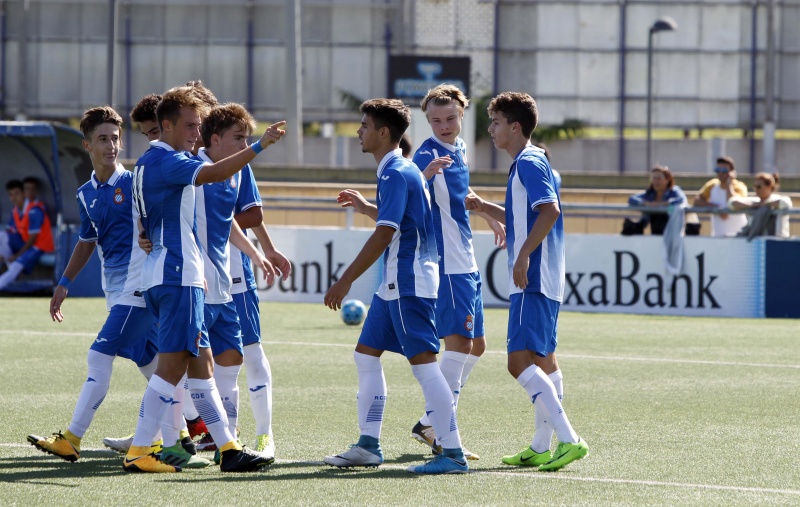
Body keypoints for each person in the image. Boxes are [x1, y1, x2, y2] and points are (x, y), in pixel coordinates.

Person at [23, 106, 206, 464]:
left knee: (100, 356)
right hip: (117, 290)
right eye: (103, 139)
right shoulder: (85, 194)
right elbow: (87, 240)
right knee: (152, 364)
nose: (111, 146)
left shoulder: (134, 181)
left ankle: (72, 437)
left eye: (116, 138)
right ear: (87, 145)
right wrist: (64, 282)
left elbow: (163, 217)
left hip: (140, 288)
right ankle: (179, 438)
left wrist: (146, 234)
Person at [124, 85, 285, 473]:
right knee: (172, 369)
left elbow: (147, 219)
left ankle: (228, 449)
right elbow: (216, 170)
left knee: (203, 366)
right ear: (166, 126)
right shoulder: (169, 161)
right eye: (190, 125)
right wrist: (259, 146)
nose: (196, 132)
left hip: (175, 273)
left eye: (199, 125)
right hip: (179, 276)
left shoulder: (148, 162)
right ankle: (140, 450)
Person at [323, 98, 468, 474]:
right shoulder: (401, 169)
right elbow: (399, 222)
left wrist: (345, 279)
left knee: (424, 367)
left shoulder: (394, 171)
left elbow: (386, 232)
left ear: (383, 133)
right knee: (366, 355)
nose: (359, 131)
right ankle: (369, 445)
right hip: (395, 283)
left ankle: (453, 453)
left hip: (408, 281)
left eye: (365, 125)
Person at [465, 91, 588, 471]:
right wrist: (486, 208)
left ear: (515, 127)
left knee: (518, 362)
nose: (491, 129)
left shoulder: (530, 161)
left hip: (533, 278)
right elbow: (528, 214)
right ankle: (540, 445)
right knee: (544, 361)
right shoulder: (528, 162)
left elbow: (549, 210)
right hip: (546, 278)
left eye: (497, 122)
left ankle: (570, 440)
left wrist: (523, 255)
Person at [408, 84, 505, 461]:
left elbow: (459, 195)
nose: (444, 125)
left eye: (450, 118)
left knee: (477, 345)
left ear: (463, 114)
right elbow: (404, 198)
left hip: (466, 258)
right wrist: (423, 176)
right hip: (446, 263)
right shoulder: (425, 155)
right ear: (426, 119)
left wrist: (483, 213)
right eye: (435, 120)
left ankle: (429, 420)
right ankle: (438, 425)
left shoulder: (460, 149)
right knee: (459, 345)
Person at [0, 177, 55, 291]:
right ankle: (7, 260)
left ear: (23, 193)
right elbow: (9, 232)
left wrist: (17, 255)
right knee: (1, 235)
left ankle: (11, 266)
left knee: (15, 266)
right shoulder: (16, 210)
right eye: (11, 194)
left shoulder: (35, 210)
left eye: (17, 193)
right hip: (24, 244)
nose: (14, 198)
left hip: (38, 247)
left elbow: (33, 239)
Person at [693, 156, 748, 237]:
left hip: (739, 236)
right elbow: (697, 201)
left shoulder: (739, 186)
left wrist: (729, 184)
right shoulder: (712, 185)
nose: (720, 173)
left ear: (732, 172)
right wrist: (717, 208)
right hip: (718, 235)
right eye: (718, 170)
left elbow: (733, 202)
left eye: (724, 170)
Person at [729, 172, 793, 238]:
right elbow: (732, 203)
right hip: (758, 242)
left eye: (759, 187)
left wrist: (766, 204)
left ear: (769, 186)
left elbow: (786, 203)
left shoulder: (778, 199)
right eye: (755, 186)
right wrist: (753, 205)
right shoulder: (755, 201)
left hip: (778, 241)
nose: (756, 189)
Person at [628, 165, 687, 235]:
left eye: (659, 178)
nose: (656, 181)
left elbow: (681, 199)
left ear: (667, 179)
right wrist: (645, 203)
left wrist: (664, 204)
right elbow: (631, 199)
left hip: (671, 226)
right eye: (654, 178)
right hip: (654, 226)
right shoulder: (650, 193)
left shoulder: (674, 191)